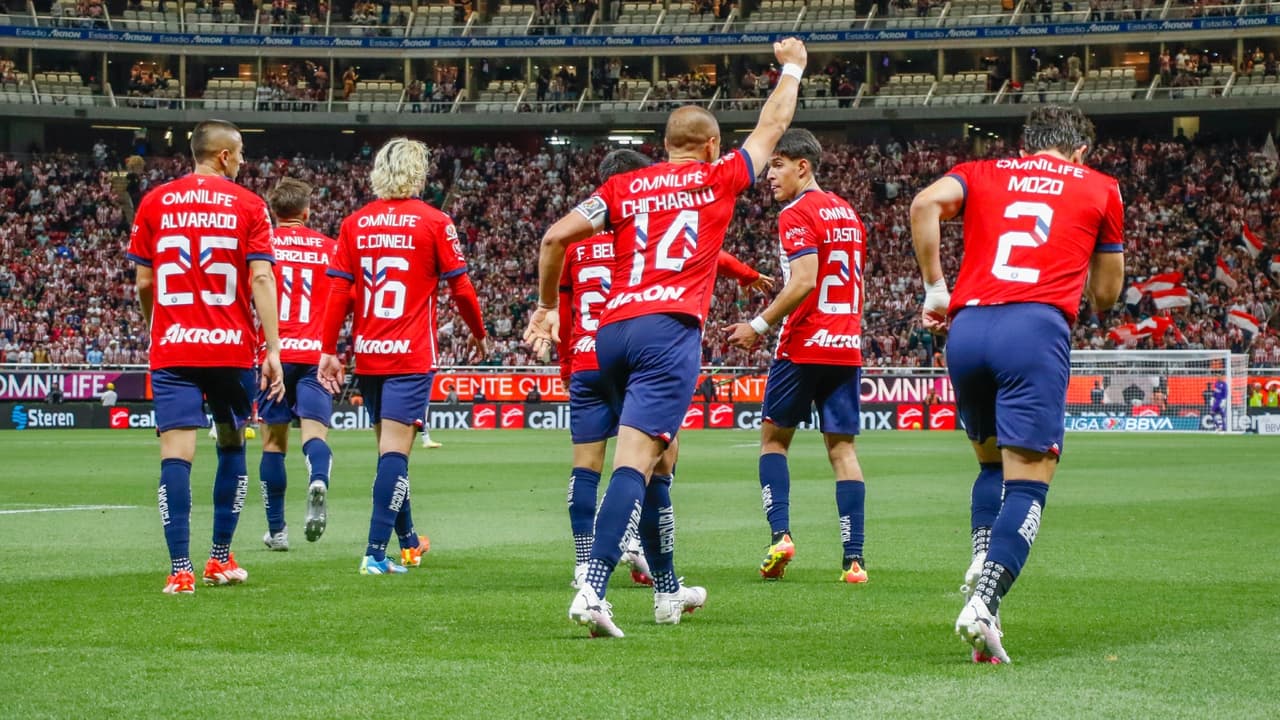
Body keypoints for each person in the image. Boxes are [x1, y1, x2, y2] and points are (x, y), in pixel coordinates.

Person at [525, 37, 809, 638]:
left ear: (663, 147)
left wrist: (547, 309)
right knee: (637, 460)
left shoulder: (625, 188)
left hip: (609, 334)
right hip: (669, 330)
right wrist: (792, 67)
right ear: (709, 146)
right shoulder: (719, 177)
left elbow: (553, 238)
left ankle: (669, 590)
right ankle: (593, 589)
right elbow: (773, 123)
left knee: (659, 462)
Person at [910, 105, 1124, 663]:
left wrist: (937, 289)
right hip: (1033, 328)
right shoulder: (1100, 186)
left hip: (969, 326)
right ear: (1078, 152)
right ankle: (984, 600)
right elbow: (1105, 296)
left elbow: (923, 204)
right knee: (1029, 481)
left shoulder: (983, 172)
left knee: (988, 465)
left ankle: (985, 563)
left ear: (1028, 147)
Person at [553, 148, 772, 592]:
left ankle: (584, 564)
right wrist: (747, 274)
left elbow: (564, 304)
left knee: (586, 467)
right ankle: (656, 571)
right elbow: (707, 256)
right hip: (646, 344)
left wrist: (566, 366)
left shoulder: (578, 243)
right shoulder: (640, 234)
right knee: (656, 463)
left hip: (588, 355)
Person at [126, 119, 285, 595]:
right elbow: (260, 279)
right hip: (229, 349)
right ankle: (219, 558)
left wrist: (158, 326)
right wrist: (273, 347)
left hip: (174, 348)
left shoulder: (154, 201)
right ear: (222, 156)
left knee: (176, 454)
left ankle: (180, 569)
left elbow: (145, 283)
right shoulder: (250, 205)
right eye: (239, 153)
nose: (242, 160)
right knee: (233, 445)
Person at [318, 138, 488, 576]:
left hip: (369, 351)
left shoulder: (355, 223)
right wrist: (479, 333)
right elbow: (462, 288)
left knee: (389, 451)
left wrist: (328, 349)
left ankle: (408, 541)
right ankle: (375, 553)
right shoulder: (434, 221)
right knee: (396, 452)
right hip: (410, 353)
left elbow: (339, 290)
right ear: (418, 173)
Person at [724, 128, 870, 585]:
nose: (769, 175)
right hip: (846, 345)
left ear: (803, 166)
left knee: (773, 441)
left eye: (777, 165)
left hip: (803, 344)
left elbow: (804, 280)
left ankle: (780, 536)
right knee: (843, 451)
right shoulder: (849, 213)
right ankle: (854, 561)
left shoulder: (797, 213)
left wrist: (758, 326)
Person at [256, 177, 338, 552]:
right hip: (316, 355)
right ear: (307, 212)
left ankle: (277, 532)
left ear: (273, 211)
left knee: (273, 443)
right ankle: (318, 477)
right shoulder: (331, 249)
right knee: (315, 435)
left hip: (275, 353)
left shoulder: (262, 245)